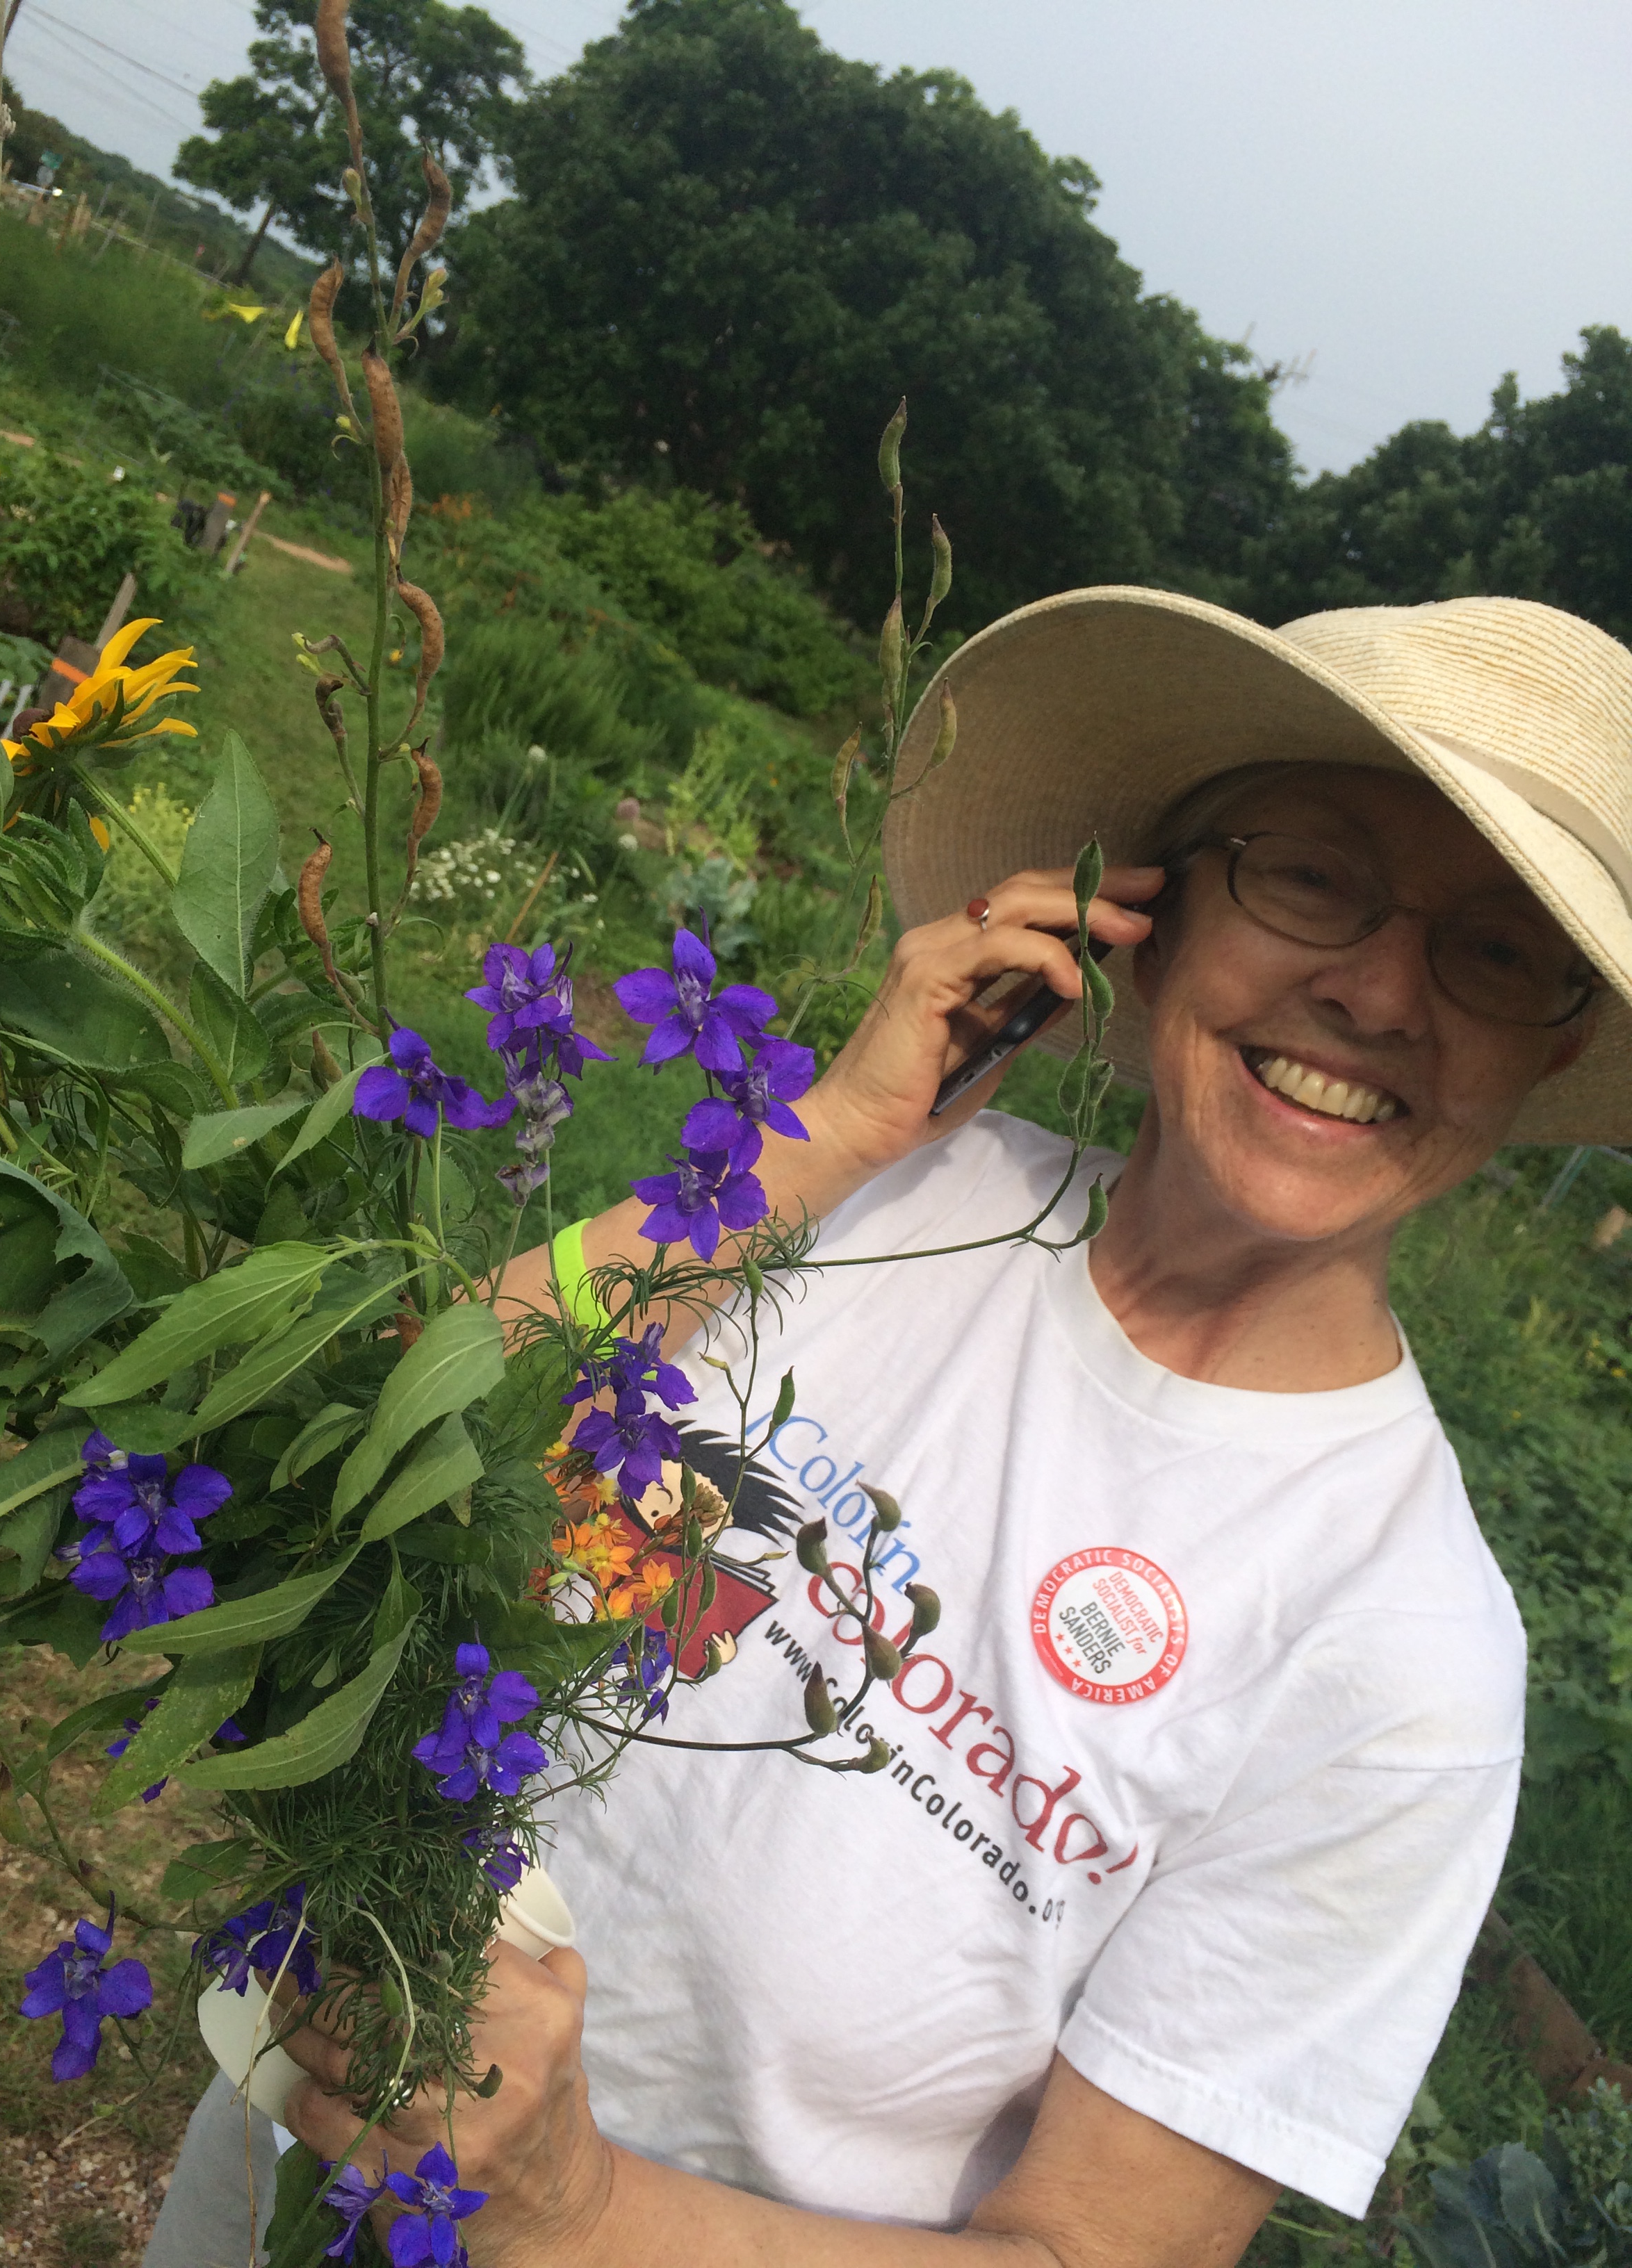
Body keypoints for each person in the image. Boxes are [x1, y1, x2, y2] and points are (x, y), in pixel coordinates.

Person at [145, 588, 1632, 2268]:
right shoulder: (899, 1185)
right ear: (1147, 914)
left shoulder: (1407, 1655)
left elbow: (1093, 2254)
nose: (1376, 993)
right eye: (1310, 877)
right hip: (305, 2118)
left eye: (1493, 951)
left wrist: (567, 2204)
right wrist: (827, 1132)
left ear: (1553, 1048)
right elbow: (400, 1430)